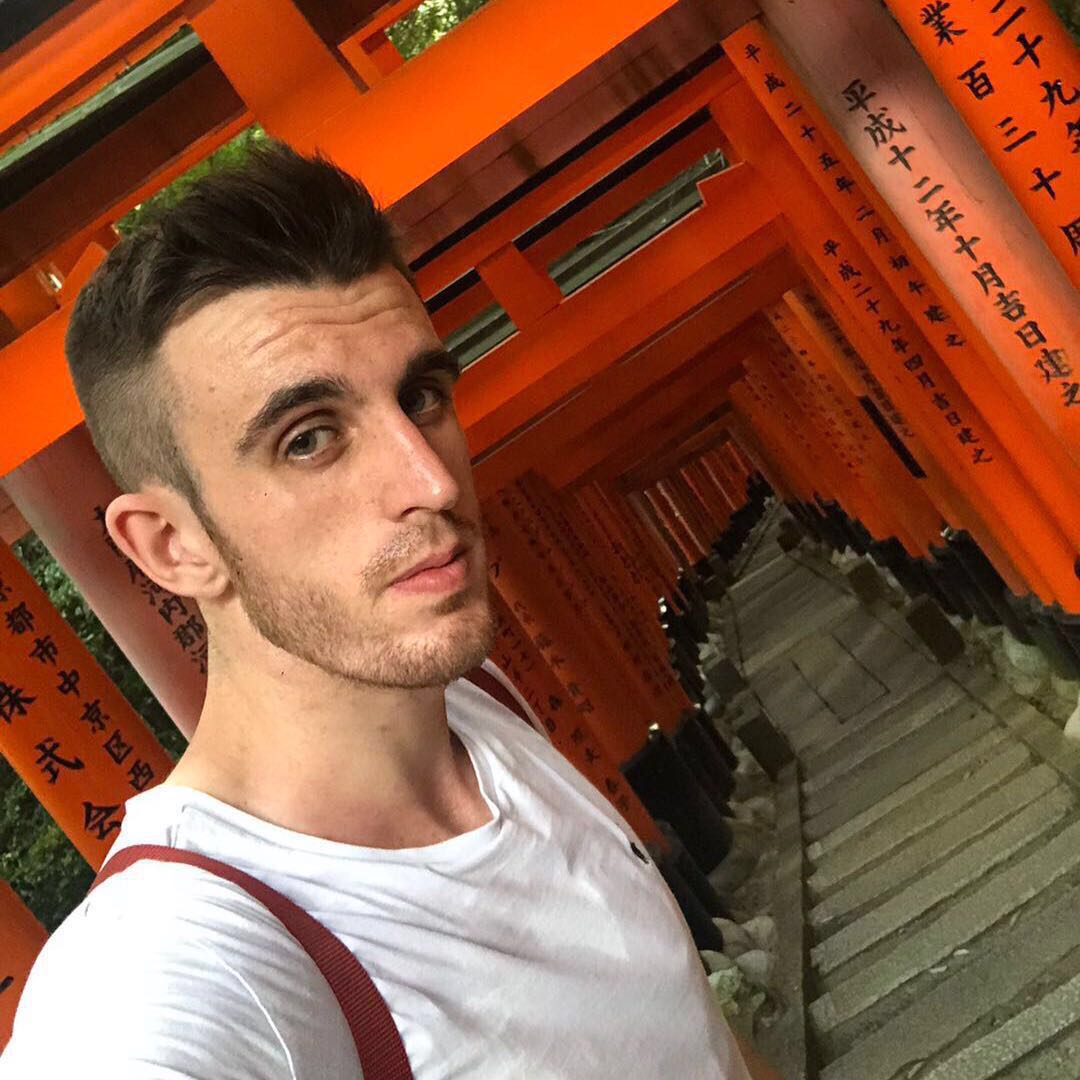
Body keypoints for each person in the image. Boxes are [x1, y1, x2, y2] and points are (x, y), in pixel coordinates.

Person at [0, 140, 763, 1079]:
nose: (431, 480)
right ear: (172, 545)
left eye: (423, 396)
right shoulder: (177, 971)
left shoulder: (475, 707)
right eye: (309, 439)